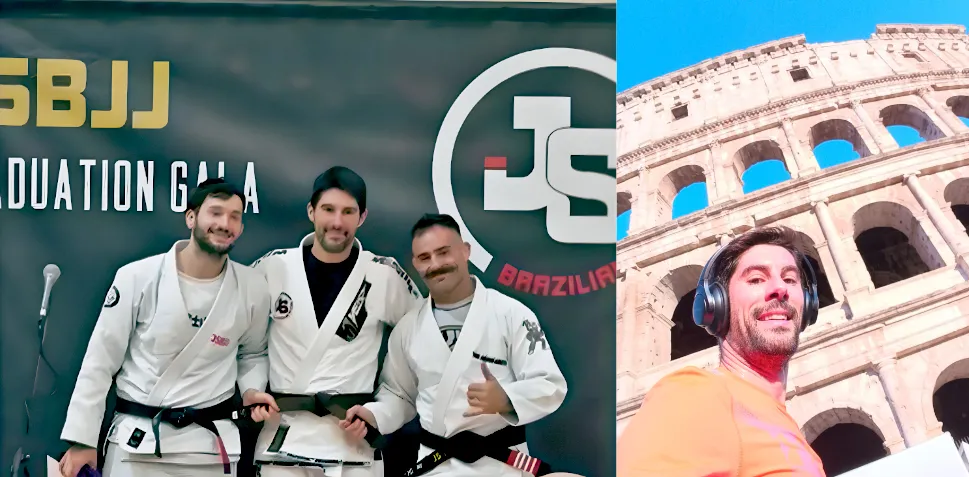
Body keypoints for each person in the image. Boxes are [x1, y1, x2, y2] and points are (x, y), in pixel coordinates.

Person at [58, 178, 279, 477]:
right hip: (137, 445)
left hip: (209, 449)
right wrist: (82, 441)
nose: (225, 223)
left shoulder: (252, 287)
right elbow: (100, 363)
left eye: (235, 216)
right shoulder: (137, 277)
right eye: (215, 212)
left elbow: (252, 353)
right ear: (191, 217)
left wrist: (251, 389)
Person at [340, 213, 568, 477]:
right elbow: (399, 394)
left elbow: (550, 384)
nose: (435, 264)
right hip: (437, 466)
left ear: (465, 251)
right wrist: (374, 414)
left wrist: (506, 399)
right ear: (415, 263)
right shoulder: (408, 328)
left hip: (501, 465)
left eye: (443, 252)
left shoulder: (511, 313)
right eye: (425, 258)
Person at [249, 166, 423, 477]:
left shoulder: (384, 275)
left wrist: (382, 413)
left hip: (352, 446)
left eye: (348, 211)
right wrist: (250, 388)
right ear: (311, 211)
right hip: (282, 445)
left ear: (362, 216)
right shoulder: (271, 269)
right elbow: (243, 346)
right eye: (328, 209)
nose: (337, 222)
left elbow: (424, 350)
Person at [617, 226, 827, 477]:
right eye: (756, 279)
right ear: (717, 305)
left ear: (809, 304)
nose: (779, 288)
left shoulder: (790, 432)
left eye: (790, 279)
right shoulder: (696, 393)